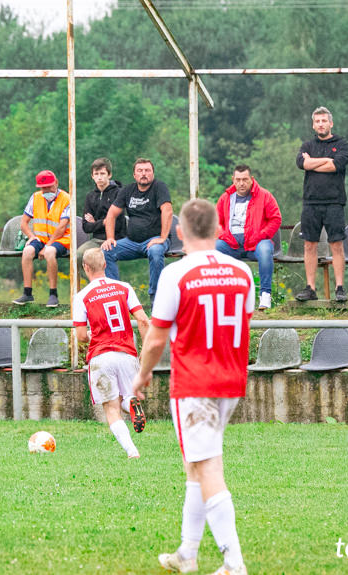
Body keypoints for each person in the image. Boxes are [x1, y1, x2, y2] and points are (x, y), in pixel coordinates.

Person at [133, 199, 254, 575]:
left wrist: (142, 374)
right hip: (231, 380)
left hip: (195, 382)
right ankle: (187, 553)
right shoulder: (242, 272)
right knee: (196, 465)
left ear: (180, 233)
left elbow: (155, 339)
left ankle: (234, 564)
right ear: (219, 231)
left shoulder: (176, 274)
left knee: (207, 467)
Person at [73, 248, 150, 458]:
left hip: (101, 356)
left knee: (111, 407)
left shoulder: (81, 296)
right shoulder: (124, 287)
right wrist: (145, 349)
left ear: (85, 268)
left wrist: (92, 334)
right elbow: (143, 320)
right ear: (105, 264)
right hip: (127, 353)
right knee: (127, 396)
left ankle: (132, 451)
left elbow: (80, 335)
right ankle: (132, 405)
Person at [295, 106, 348, 302]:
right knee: (309, 244)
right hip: (310, 202)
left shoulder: (342, 144)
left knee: (336, 244)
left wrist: (315, 163)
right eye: (317, 121)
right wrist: (325, 160)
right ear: (313, 124)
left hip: (334, 202)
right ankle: (310, 288)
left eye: (324, 121)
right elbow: (303, 164)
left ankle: (340, 288)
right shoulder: (307, 146)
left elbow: (336, 165)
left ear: (331, 123)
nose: (321, 124)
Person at [102, 158, 173, 302]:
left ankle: (156, 298)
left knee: (156, 251)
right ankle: (115, 295)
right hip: (132, 242)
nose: (144, 174)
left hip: (154, 240)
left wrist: (163, 238)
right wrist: (110, 238)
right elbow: (111, 214)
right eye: (140, 171)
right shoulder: (127, 190)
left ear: (153, 173)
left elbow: (167, 211)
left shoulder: (159, 187)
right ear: (134, 175)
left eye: (147, 170)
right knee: (106, 251)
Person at [215, 164, 281, 309]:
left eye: (245, 179)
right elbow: (216, 222)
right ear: (233, 180)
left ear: (252, 179)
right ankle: (224, 295)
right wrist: (224, 236)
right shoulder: (225, 198)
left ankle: (265, 296)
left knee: (265, 251)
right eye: (238, 180)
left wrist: (262, 235)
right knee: (216, 248)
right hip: (232, 245)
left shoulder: (264, 195)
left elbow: (276, 218)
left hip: (256, 243)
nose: (241, 183)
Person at [12, 170, 71, 308]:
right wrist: (31, 236)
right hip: (41, 238)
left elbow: (62, 228)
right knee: (27, 252)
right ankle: (27, 293)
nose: (46, 190)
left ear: (56, 183)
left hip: (61, 240)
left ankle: (53, 294)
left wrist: (46, 246)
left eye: (49, 187)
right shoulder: (35, 197)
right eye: (43, 188)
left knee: (49, 252)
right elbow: (24, 223)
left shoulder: (67, 199)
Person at [78, 158, 126, 266]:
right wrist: (103, 222)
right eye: (96, 174)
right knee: (79, 256)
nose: (99, 177)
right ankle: (95, 282)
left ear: (109, 175)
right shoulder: (90, 196)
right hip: (96, 239)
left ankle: (108, 282)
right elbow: (86, 227)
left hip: (116, 239)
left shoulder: (119, 193)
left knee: (105, 255)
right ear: (92, 176)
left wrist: (95, 222)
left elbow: (117, 223)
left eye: (102, 173)